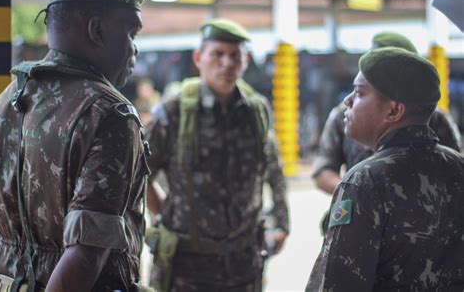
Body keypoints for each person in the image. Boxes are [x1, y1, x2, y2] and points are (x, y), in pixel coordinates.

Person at [0, 0, 151, 291]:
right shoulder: (109, 113)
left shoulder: (6, 101)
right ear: (97, 30)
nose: (134, 50)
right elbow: (86, 254)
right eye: (131, 34)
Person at [144, 18, 290, 291]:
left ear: (245, 61)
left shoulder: (255, 111)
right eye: (218, 54)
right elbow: (141, 172)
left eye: (235, 56)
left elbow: (273, 167)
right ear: (199, 58)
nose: (227, 64)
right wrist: (163, 211)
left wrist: (281, 222)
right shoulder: (174, 112)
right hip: (188, 266)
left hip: (243, 262)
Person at [306, 47, 464, 291]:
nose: (347, 101)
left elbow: (338, 284)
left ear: (393, 110)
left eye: (359, 93)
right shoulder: (458, 168)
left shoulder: (364, 181)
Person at [312, 32, 461, 196]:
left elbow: (451, 172)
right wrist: (355, 192)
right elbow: (323, 170)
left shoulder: (435, 117)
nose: (350, 100)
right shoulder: (345, 115)